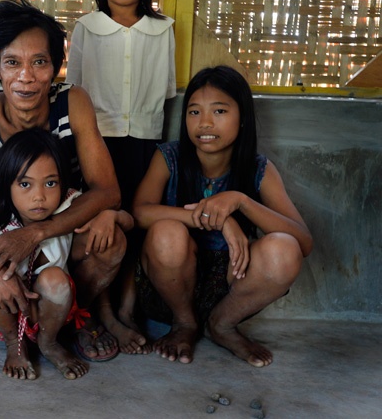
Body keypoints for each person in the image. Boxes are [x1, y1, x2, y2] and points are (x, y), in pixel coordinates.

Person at [0, 0, 133, 362]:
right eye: (12, 63)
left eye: (39, 62)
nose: (26, 77)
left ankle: (73, 316)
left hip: (56, 235)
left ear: (55, 66)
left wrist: (35, 233)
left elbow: (108, 189)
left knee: (110, 239)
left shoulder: (72, 103)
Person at [132, 65, 312, 367]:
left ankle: (223, 325)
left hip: (231, 288)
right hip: (169, 288)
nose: (204, 123)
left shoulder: (258, 169)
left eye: (219, 111)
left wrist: (240, 202)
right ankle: (185, 323)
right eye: (194, 112)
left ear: (242, 118)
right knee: (166, 232)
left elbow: (303, 242)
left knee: (285, 248)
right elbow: (139, 213)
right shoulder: (170, 158)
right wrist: (218, 219)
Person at [66, 0, 176, 353]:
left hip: (144, 143)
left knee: (136, 221)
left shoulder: (161, 30)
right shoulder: (86, 29)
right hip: (99, 143)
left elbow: (165, 92)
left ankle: (127, 308)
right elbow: (75, 91)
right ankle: (102, 310)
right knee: (103, 224)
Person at [0, 128, 89, 380]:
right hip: (3, 315)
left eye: (50, 183)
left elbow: (119, 215)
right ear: (6, 185)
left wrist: (111, 216)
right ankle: (14, 344)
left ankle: (49, 343)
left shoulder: (68, 208)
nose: (39, 196)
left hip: (51, 315)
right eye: (25, 184)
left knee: (55, 278)